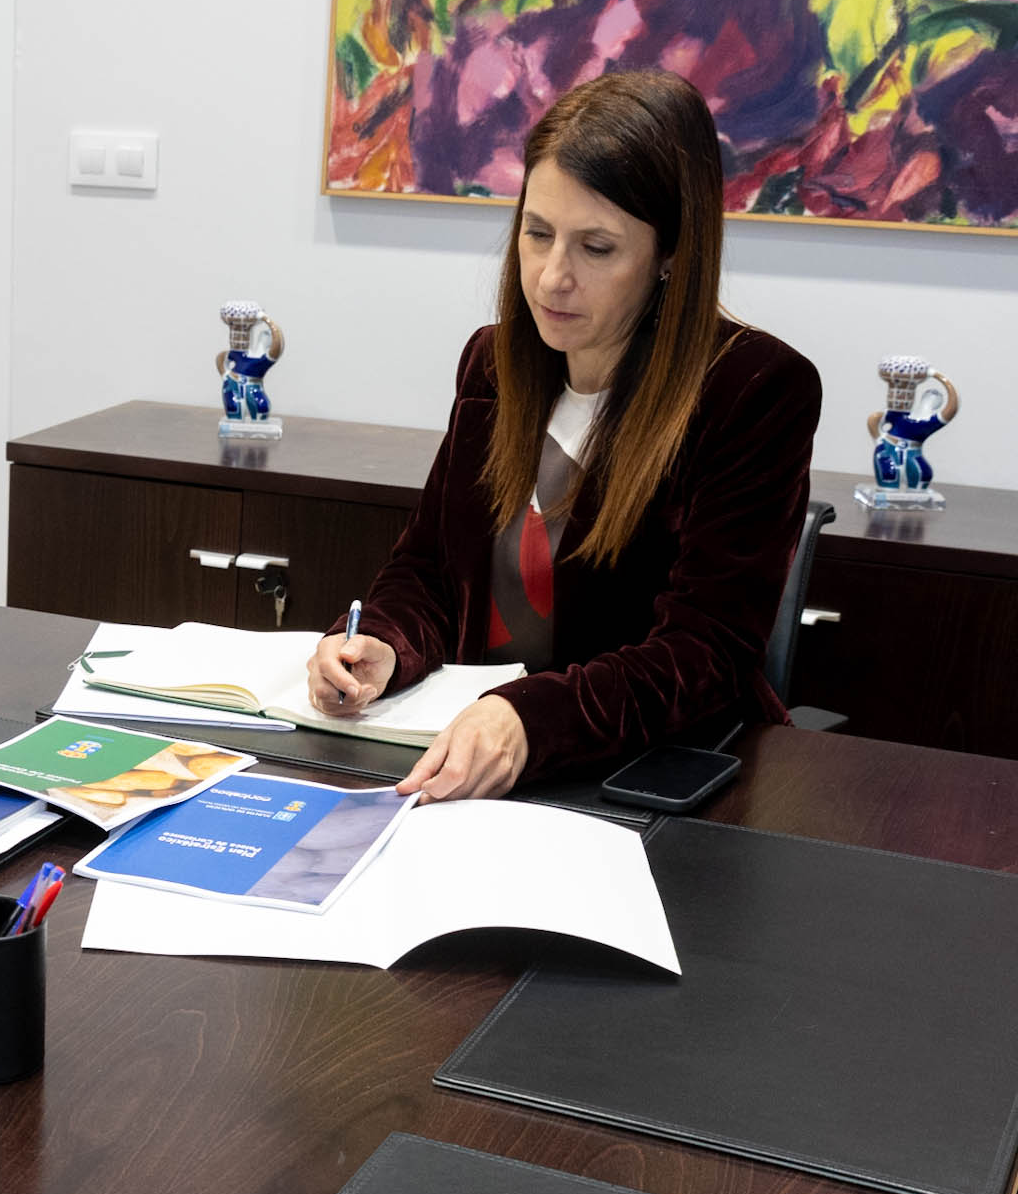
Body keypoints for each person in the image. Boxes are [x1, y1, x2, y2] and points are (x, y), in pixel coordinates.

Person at [306, 70, 820, 803]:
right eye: (538, 233)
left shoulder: (754, 388)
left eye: (596, 248)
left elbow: (705, 654)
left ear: (671, 253)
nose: (551, 278)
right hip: (475, 764)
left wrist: (527, 718)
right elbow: (428, 569)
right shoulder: (494, 362)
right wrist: (382, 641)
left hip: (652, 778)